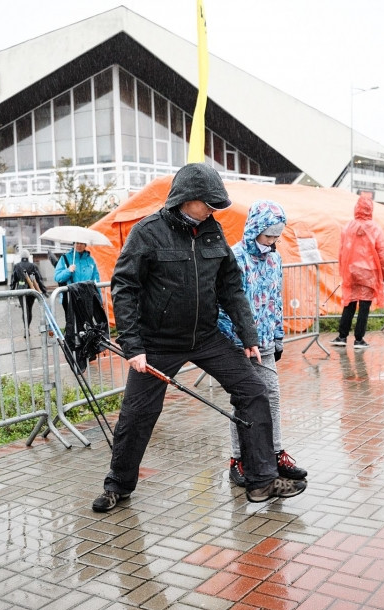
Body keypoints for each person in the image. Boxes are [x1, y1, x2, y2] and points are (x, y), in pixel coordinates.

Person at [94, 163, 308, 512]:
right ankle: (118, 485)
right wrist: (132, 346)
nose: (212, 209)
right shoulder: (146, 232)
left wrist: (248, 334)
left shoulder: (213, 232)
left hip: (206, 337)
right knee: (137, 414)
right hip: (158, 342)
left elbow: (231, 287)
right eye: (207, 203)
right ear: (186, 198)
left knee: (253, 391)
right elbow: (125, 288)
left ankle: (261, 481)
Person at [215, 200, 307, 487]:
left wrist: (278, 336)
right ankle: (238, 459)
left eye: (276, 237)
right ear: (254, 229)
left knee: (272, 398)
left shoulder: (274, 259)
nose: (271, 242)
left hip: (266, 342)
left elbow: (276, 299)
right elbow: (223, 303)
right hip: (239, 343)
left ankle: (275, 453)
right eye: (268, 236)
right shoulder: (234, 257)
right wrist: (239, 338)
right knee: (244, 401)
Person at [331, 194, 384, 349]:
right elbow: (382, 253)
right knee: (364, 306)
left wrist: (342, 270)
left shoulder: (347, 227)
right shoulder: (376, 228)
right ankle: (359, 339)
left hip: (350, 270)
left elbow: (342, 250)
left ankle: (342, 336)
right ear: (371, 209)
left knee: (349, 302)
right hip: (369, 272)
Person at [54, 241, 100, 333]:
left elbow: (96, 281)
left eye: (82, 243)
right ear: (73, 244)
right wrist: (68, 271)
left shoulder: (91, 260)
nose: (79, 245)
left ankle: (86, 345)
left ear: (85, 245)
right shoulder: (65, 258)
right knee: (73, 326)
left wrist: (99, 300)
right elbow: (57, 277)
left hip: (87, 298)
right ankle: (73, 345)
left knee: (87, 324)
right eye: (76, 243)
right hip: (70, 298)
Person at [10, 249, 47, 331]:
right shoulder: (33, 266)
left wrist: (11, 291)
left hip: (21, 291)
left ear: (21, 257)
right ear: (28, 256)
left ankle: (26, 328)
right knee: (29, 309)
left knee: (24, 310)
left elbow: (13, 279)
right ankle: (27, 327)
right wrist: (44, 290)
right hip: (31, 291)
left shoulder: (17, 266)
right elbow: (39, 279)